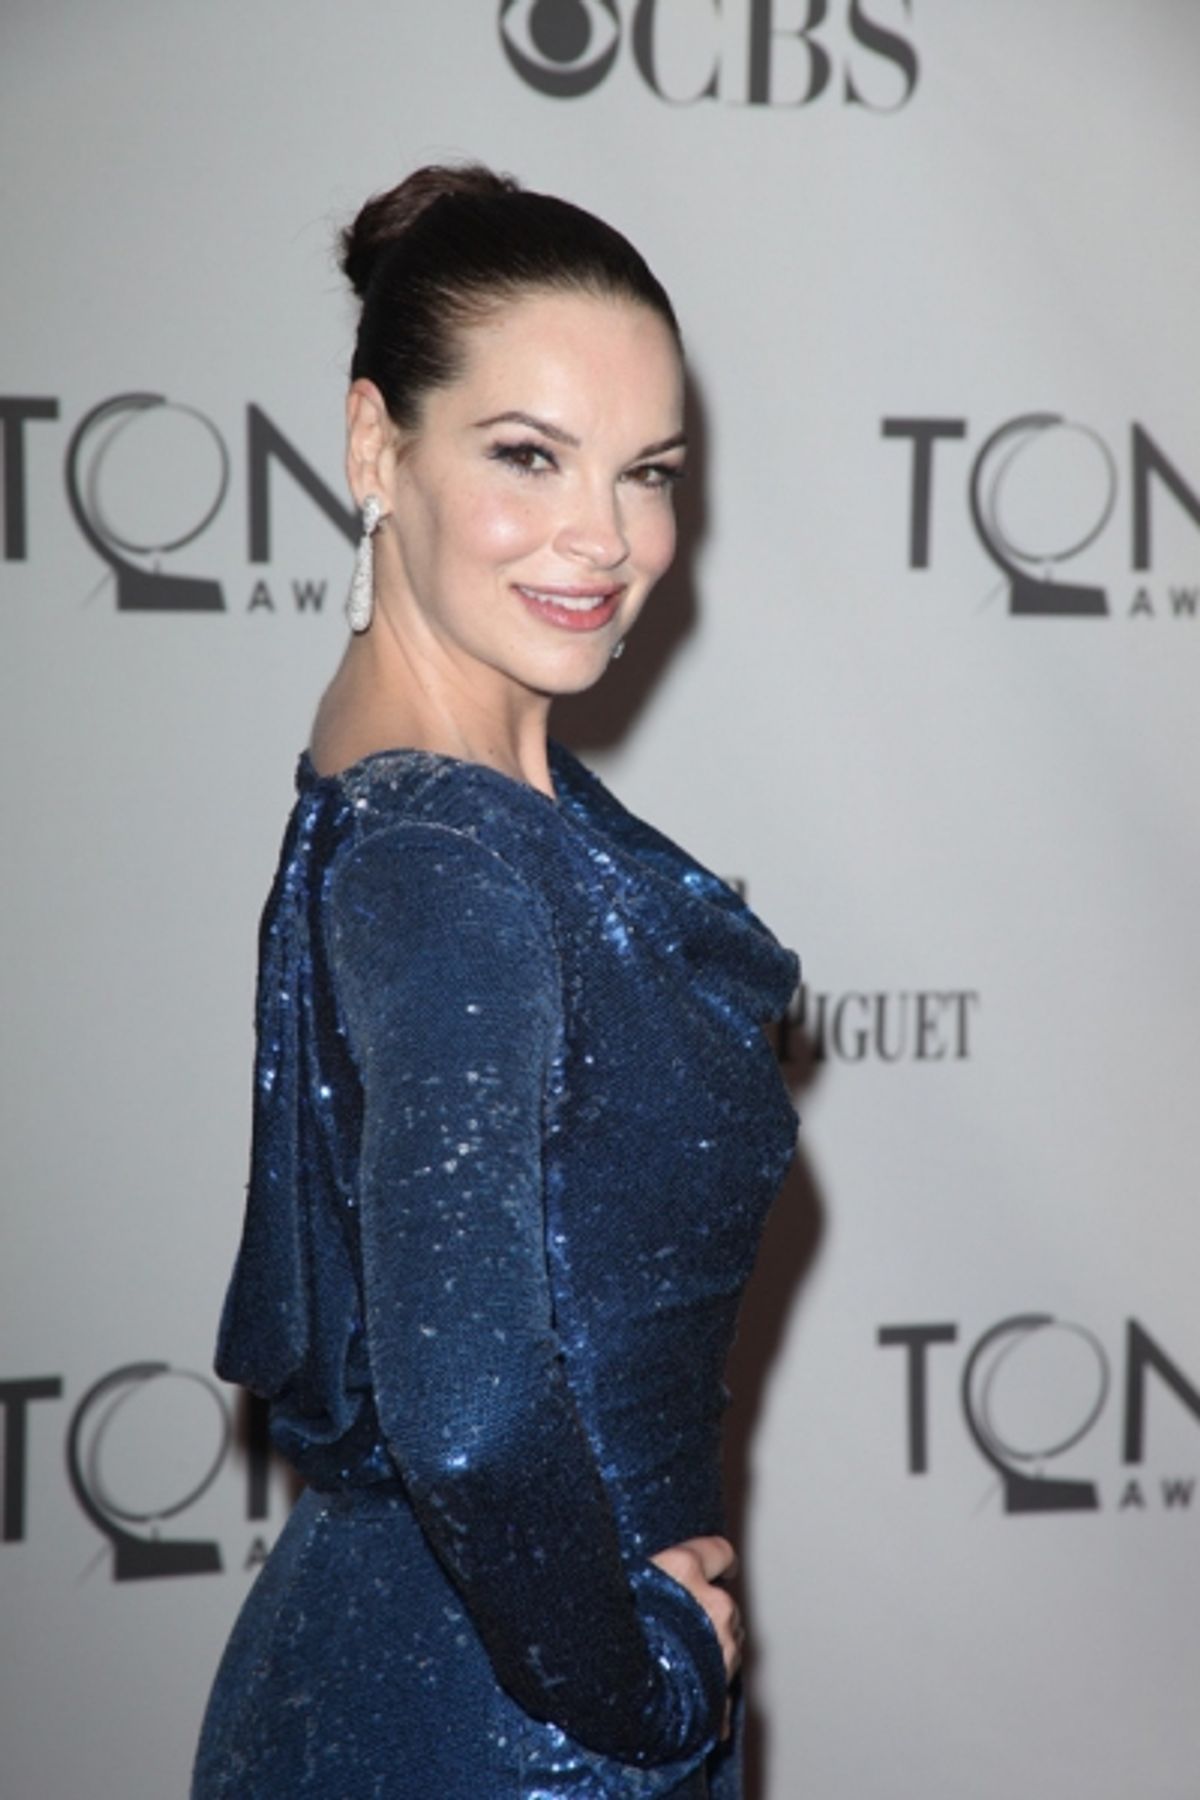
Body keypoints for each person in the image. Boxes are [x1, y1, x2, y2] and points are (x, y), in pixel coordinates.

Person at [192, 164, 799, 1800]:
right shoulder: (447, 854)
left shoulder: (438, 767)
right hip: (512, 1726)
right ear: (375, 446)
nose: (606, 538)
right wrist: (646, 1680)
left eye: (648, 471)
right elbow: (463, 1412)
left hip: (430, 1665)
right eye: (528, 457)